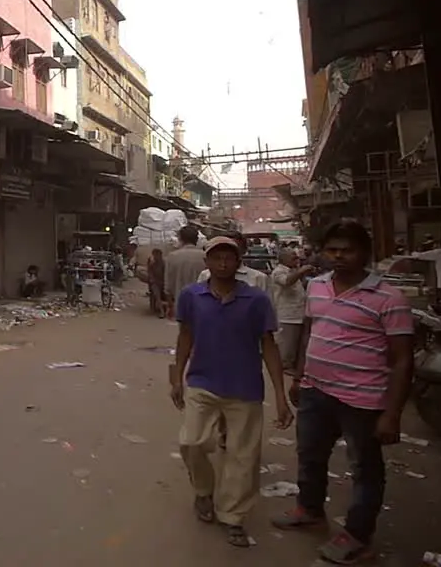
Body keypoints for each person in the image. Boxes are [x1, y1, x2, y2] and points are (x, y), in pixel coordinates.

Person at [272, 221, 414, 564]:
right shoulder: (317, 286)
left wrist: (392, 413)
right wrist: (299, 376)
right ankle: (309, 508)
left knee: (365, 469)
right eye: (332, 249)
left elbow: (403, 359)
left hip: (362, 400)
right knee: (310, 455)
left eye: (347, 249)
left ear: (364, 253)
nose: (338, 256)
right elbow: (311, 332)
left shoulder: (389, 298)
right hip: (316, 391)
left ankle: (357, 535)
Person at [171, 236, 292, 548]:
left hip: (245, 387)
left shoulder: (256, 300)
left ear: (239, 263)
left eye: (229, 258)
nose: (223, 263)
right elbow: (185, 337)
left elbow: (268, 346)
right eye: (217, 258)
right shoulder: (191, 296)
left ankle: (233, 516)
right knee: (191, 442)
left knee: (242, 456)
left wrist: (281, 395)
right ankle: (203, 492)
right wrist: (176, 377)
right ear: (206, 262)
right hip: (202, 383)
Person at [271, 248, 315, 374]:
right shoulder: (279, 272)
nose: (297, 260)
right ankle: (285, 367)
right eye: (293, 257)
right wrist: (301, 271)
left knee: (298, 344)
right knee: (288, 346)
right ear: (283, 259)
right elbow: (287, 281)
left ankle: (294, 366)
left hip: (299, 314)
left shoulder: (293, 270)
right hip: (287, 315)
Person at [197, 231, 270, 292]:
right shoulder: (205, 275)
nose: (223, 264)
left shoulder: (258, 278)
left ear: (243, 251)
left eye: (232, 250)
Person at [165, 224, 205, 318]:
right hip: (203, 304)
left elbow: (168, 286)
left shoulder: (172, 256)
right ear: (196, 239)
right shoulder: (206, 256)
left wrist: (170, 306)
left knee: (184, 331)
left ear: (180, 239)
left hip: (181, 303)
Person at [147, 248, 167, 318]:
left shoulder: (164, 264)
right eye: (154, 255)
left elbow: (167, 274)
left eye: (157, 255)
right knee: (156, 293)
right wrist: (152, 280)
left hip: (165, 282)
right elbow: (150, 274)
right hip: (156, 283)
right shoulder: (152, 264)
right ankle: (162, 311)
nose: (156, 257)